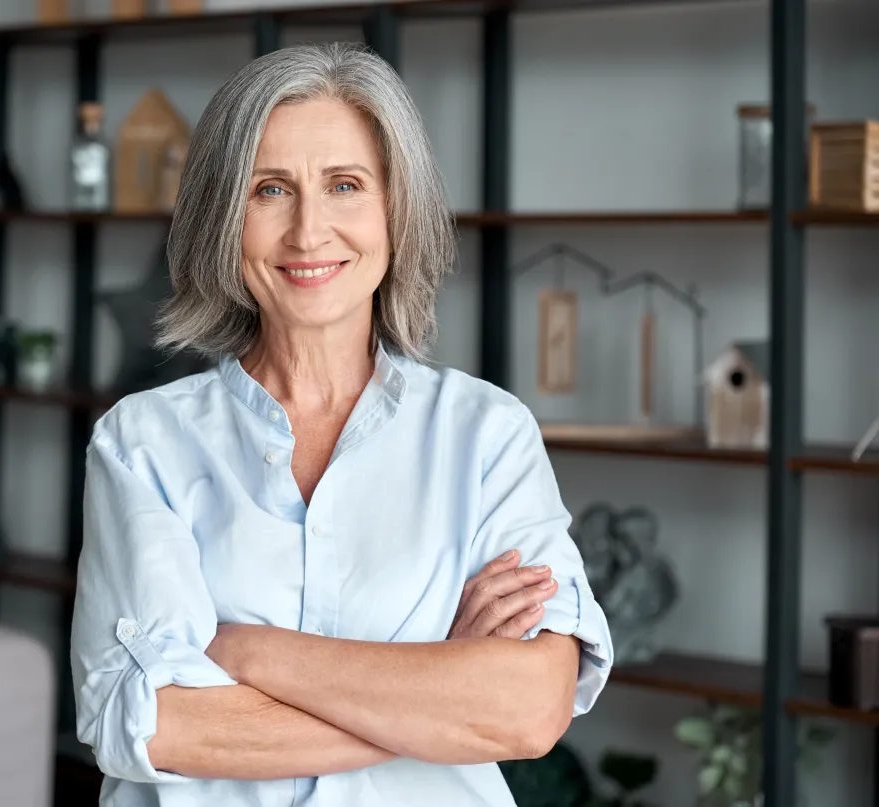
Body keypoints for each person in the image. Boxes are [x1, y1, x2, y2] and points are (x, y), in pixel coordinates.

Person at [70, 41, 613, 807]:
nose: (308, 231)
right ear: (224, 218)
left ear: (396, 209)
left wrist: (245, 649)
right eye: (269, 190)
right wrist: (439, 689)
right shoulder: (142, 444)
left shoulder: (487, 436)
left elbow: (526, 708)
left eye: (345, 185)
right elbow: (155, 727)